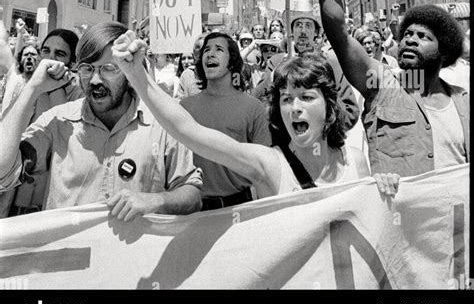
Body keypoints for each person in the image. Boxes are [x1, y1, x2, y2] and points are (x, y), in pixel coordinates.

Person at [111, 34, 371, 198]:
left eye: (306, 97)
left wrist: (387, 190)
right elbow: (188, 131)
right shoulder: (268, 165)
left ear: (329, 105)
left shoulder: (356, 161)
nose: (295, 107)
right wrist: (136, 74)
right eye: (286, 99)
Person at [0, 22, 202, 219]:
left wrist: (157, 201)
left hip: (137, 252)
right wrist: (33, 88)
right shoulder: (57, 123)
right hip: (70, 252)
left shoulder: (161, 124)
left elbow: (192, 194)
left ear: (129, 70)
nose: (96, 80)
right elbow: (2, 171)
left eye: (108, 69)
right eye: (87, 69)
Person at [317, 0, 469, 193]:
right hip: (399, 225)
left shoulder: (462, 101)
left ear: (444, 53)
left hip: (453, 227)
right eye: (407, 34)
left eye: (423, 37)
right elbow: (338, 31)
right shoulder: (384, 82)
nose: (410, 40)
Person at [174, 31, 272, 209]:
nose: (210, 54)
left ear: (232, 61)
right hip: (191, 213)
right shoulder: (184, 107)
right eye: (206, 50)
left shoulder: (253, 108)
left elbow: (264, 171)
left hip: (238, 210)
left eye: (219, 49)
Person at [5, 28, 84, 217]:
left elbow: (66, 139)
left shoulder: (79, 95)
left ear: (72, 63)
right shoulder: (26, 86)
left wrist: (55, 87)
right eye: (46, 51)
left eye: (60, 54)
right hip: (14, 198)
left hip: (52, 203)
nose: (50, 58)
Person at [255, 2, 360, 131]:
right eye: (298, 25)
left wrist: (321, 132)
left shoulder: (330, 64)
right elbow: (257, 101)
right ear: (292, 31)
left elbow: (350, 111)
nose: (303, 31)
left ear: (316, 32)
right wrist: (273, 77)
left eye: (308, 25)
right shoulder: (276, 62)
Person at [174, 34, 207, 101]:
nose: (199, 51)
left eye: (203, 48)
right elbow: (178, 99)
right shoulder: (187, 74)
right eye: (196, 48)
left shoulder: (218, 72)